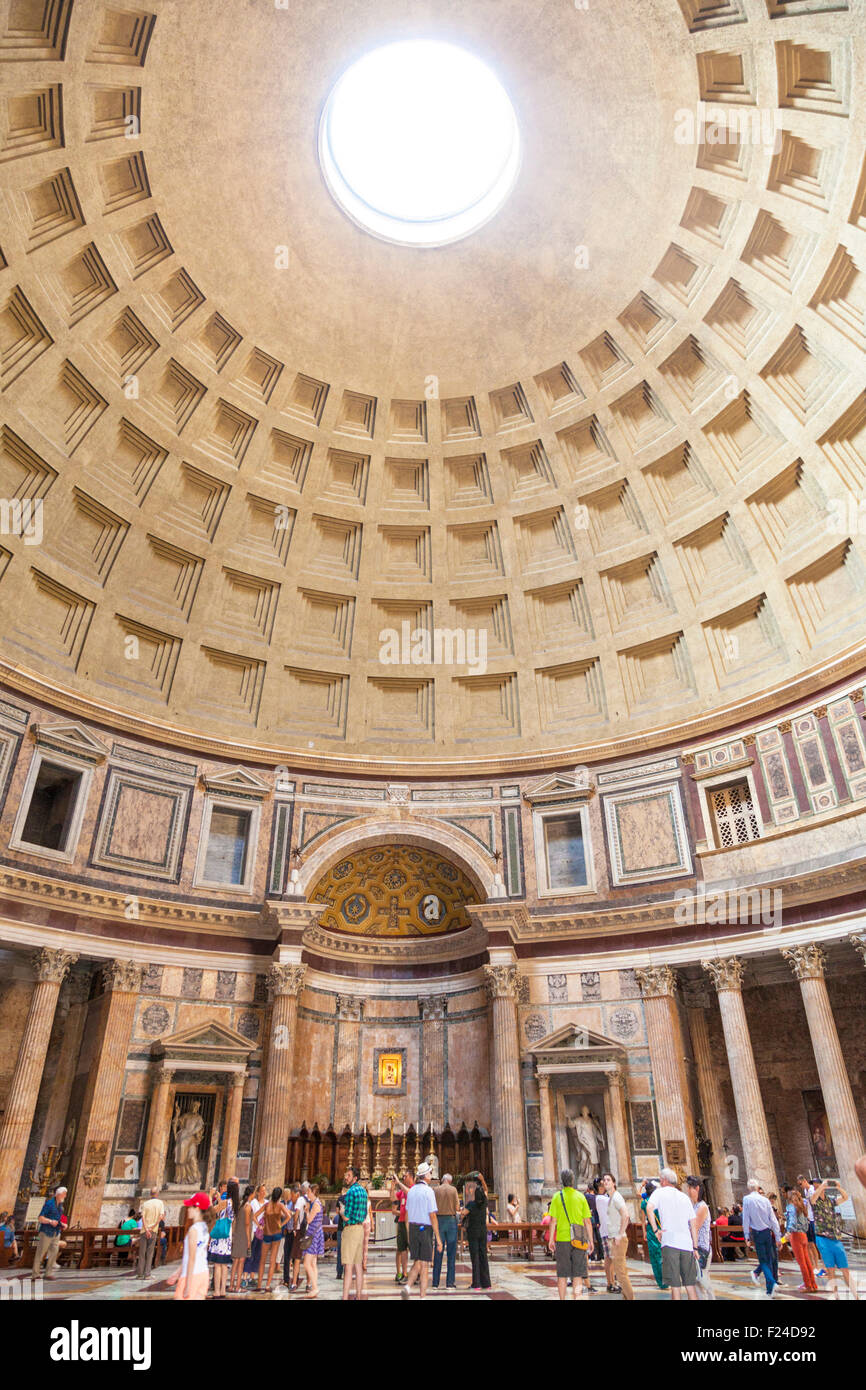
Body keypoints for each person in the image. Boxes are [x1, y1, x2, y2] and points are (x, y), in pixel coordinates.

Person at [646, 1169, 699, 1302]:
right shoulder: (684, 1197)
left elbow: (649, 1208)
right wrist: (695, 1247)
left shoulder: (659, 1192)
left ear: (663, 1180)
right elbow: (693, 1224)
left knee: (675, 1286)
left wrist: (655, 1229)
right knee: (690, 1285)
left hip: (670, 1243)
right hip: (687, 1245)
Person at [547, 1167, 594, 1301]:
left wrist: (551, 1239)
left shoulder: (557, 1197)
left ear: (562, 1181)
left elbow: (552, 1221)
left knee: (562, 1275)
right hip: (579, 1239)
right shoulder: (580, 1197)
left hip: (562, 1239)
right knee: (577, 1274)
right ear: (573, 1181)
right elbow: (587, 1222)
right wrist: (591, 1240)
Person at [400, 1162, 442, 1300]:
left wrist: (408, 1231)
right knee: (423, 1263)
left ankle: (419, 1293)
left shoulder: (411, 1191)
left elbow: (406, 1214)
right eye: (430, 1172)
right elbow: (432, 1215)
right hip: (425, 1229)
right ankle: (410, 1287)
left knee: (420, 1262)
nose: (431, 1175)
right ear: (425, 1176)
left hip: (412, 1228)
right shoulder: (428, 1191)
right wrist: (438, 1238)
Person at [812, 1178, 857, 1298]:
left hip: (835, 1239)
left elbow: (845, 1197)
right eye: (817, 1185)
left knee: (845, 1269)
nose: (818, 1187)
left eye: (819, 1185)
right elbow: (813, 1198)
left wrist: (838, 1187)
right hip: (823, 1239)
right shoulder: (814, 1201)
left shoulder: (831, 1201)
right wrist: (821, 1186)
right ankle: (836, 1296)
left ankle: (856, 1296)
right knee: (830, 1270)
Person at [742, 1177, 782, 1297]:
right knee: (768, 1259)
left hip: (757, 1233)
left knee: (763, 1260)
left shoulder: (747, 1199)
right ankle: (769, 1290)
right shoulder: (765, 1200)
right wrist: (778, 1237)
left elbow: (746, 1219)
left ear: (749, 1188)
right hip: (767, 1233)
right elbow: (773, 1220)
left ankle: (771, 1281)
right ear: (758, 1187)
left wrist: (747, 1236)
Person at [168, 1192, 211, 1300]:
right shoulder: (205, 1228)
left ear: (197, 1208)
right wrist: (177, 1272)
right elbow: (196, 1254)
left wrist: (188, 1284)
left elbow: (191, 1258)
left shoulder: (193, 1230)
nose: (188, 1210)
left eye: (190, 1207)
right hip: (203, 1273)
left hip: (191, 1275)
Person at [602, 1172, 634, 1300]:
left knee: (620, 1273)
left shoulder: (616, 1197)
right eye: (604, 1180)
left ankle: (630, 1298)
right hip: (614, 1237)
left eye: (608, 1180)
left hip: (618, 1239)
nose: (606, 1182)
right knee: (620, 1271)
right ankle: (626, 1297)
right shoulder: (611, 1197)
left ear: (614, 1183)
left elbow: (626, 1215)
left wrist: (620, 1235)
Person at [258, 1186, 292, 1292]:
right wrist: (281, 1224)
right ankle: (267, 1285)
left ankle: (259, 1285)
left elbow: (255, 1216)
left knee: (262, 1261)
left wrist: (260, 1226)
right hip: (277, 1233)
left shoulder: (266, 1205)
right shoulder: (280, 1205)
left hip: (267, 1233)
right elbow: (289, 1216)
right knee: (273, 1261)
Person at [785, 1185, 818, 1293]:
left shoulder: (791, 1206)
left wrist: (788, 1232)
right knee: (807, 1261)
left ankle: (808, 1285)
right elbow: (807, 1223)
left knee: (801, 1262)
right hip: (804, 1235)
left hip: (796, 1235)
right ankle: (813, 1284)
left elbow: (793, 1221)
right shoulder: (802, 1206)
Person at [342, 1165, 368, 1301]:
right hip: (360, 1229)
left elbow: (346, 1216)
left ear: (355, 1178)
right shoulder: (363, 1191)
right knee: (358, 1266)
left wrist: (341, 1211)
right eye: (346, 1175)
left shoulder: (351, 1192)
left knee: (348, 1266)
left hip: (351, 1229)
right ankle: (358, 1296)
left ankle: (345, 1297)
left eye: (348, 1176)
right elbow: (364, 1215)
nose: (346, 1178)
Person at [463, 1171, 492, 1292]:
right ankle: (486, 1283)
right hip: (482, 1232)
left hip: (473, 1233)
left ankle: (476, 1284)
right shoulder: (484, 1203)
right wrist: (483, 1179)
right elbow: (486, 1191)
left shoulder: (471, 1205)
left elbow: (463, 1213)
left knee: (475, 1257)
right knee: (483, 1256)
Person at [686, 1176, 714, 1300]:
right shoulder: (695, 1206)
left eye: (689, 1188)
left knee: (702, 1279)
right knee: (697, 1280)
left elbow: (694, 1227)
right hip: (695, 1247)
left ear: (697, 1188)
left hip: (701, 1248)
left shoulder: (702, 1207)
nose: (687, 1190)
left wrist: (695, 1248)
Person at [432, 1171, 459, 1291]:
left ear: (442, 1179)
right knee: (451, 1253)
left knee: (438, 1251)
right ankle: (450, 1283)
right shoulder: (453, 1190)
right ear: (449, 1180)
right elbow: (457, 1207)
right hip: (451, 1221)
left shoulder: (435, 1190)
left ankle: (435, 1283)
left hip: (439, 1221)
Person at [208, 1182, 235, 1298]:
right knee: (224, 1265)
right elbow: (224, 1211)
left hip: (220, 1236)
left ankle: (217, 1291)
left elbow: (210, 1211)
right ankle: (223, 1290)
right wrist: (219, 1199)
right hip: (227, 1234)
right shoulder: (234, 1202)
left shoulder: (225, 1202)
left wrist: (210, 1196)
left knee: (218, 1265)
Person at [640, 1179, 667, 1289]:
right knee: (665, 1254)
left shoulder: (644, 1203)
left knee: (655, 1257)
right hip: (662, 1228)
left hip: (651, 1230)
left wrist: (644, 1232)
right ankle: (668, 1278)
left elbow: (642, 1220)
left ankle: (661, 1282)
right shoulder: (659, 1201)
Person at [797, 1175, 824, 1277]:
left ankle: (818, 1266)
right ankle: (813, 1266)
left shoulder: (812, 1190)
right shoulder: (805, 1191)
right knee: (809, 1244)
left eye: (801, 1184)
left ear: (804, 1181)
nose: (801, 1186)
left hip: (814, 1219)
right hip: (808, 1219)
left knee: (815, 1244)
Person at [135, 1187, 165, 1280]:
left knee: (142, 1253)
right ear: (157, 1194)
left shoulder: (145, 1204)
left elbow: (142, 1217)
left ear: (150, 1194)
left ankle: (140, 1274)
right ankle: (147, 1274)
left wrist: (147, 1229)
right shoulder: (160, 1203)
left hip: (144, 1230)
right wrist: (152, 1228)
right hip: (153, 1230)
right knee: (150, 1252)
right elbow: (161, 1217)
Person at [390, 1169, 413, 1284]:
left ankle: (416, 1274)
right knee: (402, 1249)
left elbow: (410, 1193)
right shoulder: (402, 1192)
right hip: (402, 1221)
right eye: (403, 1176)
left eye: (406, 1176)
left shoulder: (413, 1188)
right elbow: (393, 1199)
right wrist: (392, 1187)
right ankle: (404, 1273)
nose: (404, 1178)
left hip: (411, 1222)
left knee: (414, 1249)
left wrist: (399, 1183)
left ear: (411, 1177)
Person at [229, 1182, 252, 1294]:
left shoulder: (240, 1204)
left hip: (237, 1234)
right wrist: (248, 1240)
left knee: (235, 1262)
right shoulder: (248, 1207)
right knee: (241, 1262)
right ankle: (238, 1286)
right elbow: (247, 1224)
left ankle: (231, 1285)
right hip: (243, 1235)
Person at [302, 1182, 324, 1298]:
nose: (307, 1193)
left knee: (306, 1263)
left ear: (314, 1192)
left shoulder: (315, 1204)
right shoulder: (315, 1203)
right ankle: (315, 1287)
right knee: (313, 1263)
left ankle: (314, 1287)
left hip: (313, 1235)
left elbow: (309, 1220)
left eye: (309, 1192)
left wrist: (306, 1211)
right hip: (315, 1234)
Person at [595, 1179, 617, 1293]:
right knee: (610, 1259)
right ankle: (611, 1282)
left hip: (607, 1231)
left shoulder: (602, 1198)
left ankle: (611, 1282)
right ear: (600, 1187)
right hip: (608, 1231)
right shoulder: (601, 1198)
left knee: (609, 1258)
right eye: (604, 1184)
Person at [243, 1182, 266, 1287]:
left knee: (258, 1255)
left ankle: (252, 1276)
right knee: (250, 1255)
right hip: (254, 1231)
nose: (263, 1192)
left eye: (265, 1191)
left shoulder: (267, 1202)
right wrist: (258, 1225)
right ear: (257, 1192)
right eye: (261, 1191)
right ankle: (245, 1277)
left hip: (262, 1233)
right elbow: (252, 1216)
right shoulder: (253, 1202)